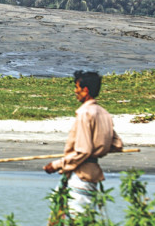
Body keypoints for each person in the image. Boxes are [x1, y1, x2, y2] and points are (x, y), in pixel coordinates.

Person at [43, 70, 123, 215]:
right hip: (88, 173)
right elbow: (117, 144)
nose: (75, 91)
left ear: (85, 90)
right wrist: (98, 146)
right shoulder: (103, 113)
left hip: (81, 174)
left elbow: (83, 151)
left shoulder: (85, 113)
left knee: (78, 217)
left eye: (77, 88)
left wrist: (55, 165)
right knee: (57, 204)